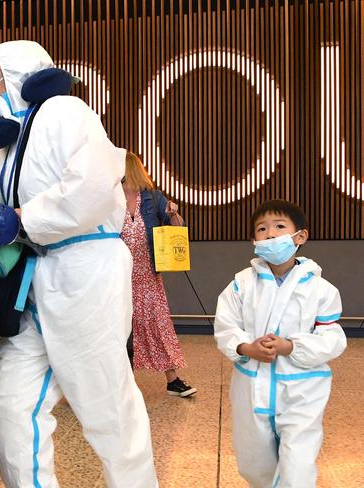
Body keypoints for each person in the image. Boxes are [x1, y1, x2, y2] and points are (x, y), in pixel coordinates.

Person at [0, 40, 159, 488]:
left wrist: (25, 218)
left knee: (105, 408)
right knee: (9, 403)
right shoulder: (6, 145)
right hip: (35, 278)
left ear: (19, 75)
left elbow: (93, 186)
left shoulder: (65, 112)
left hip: (85, 270)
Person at [214, 199, 347, 488]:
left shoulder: (320, 290)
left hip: (302, 391)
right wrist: (246, 347)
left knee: (297, 467)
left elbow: (333, 339)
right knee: (254, 464)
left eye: (279, 227)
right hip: (252, 388)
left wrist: (291, 346)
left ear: (300, 237)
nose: (271, 234)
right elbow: (225, 326)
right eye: (262, 229)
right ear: (254, 240)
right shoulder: (241, 285)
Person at [121, 151, 197, 397]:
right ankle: (125, 381)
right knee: (121, 328)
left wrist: (174, 212)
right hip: (118, 277)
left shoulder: (152, 197)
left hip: (147, 275)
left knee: (157, 324)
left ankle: (172, 379)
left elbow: (179, 229)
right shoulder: (109, 198)